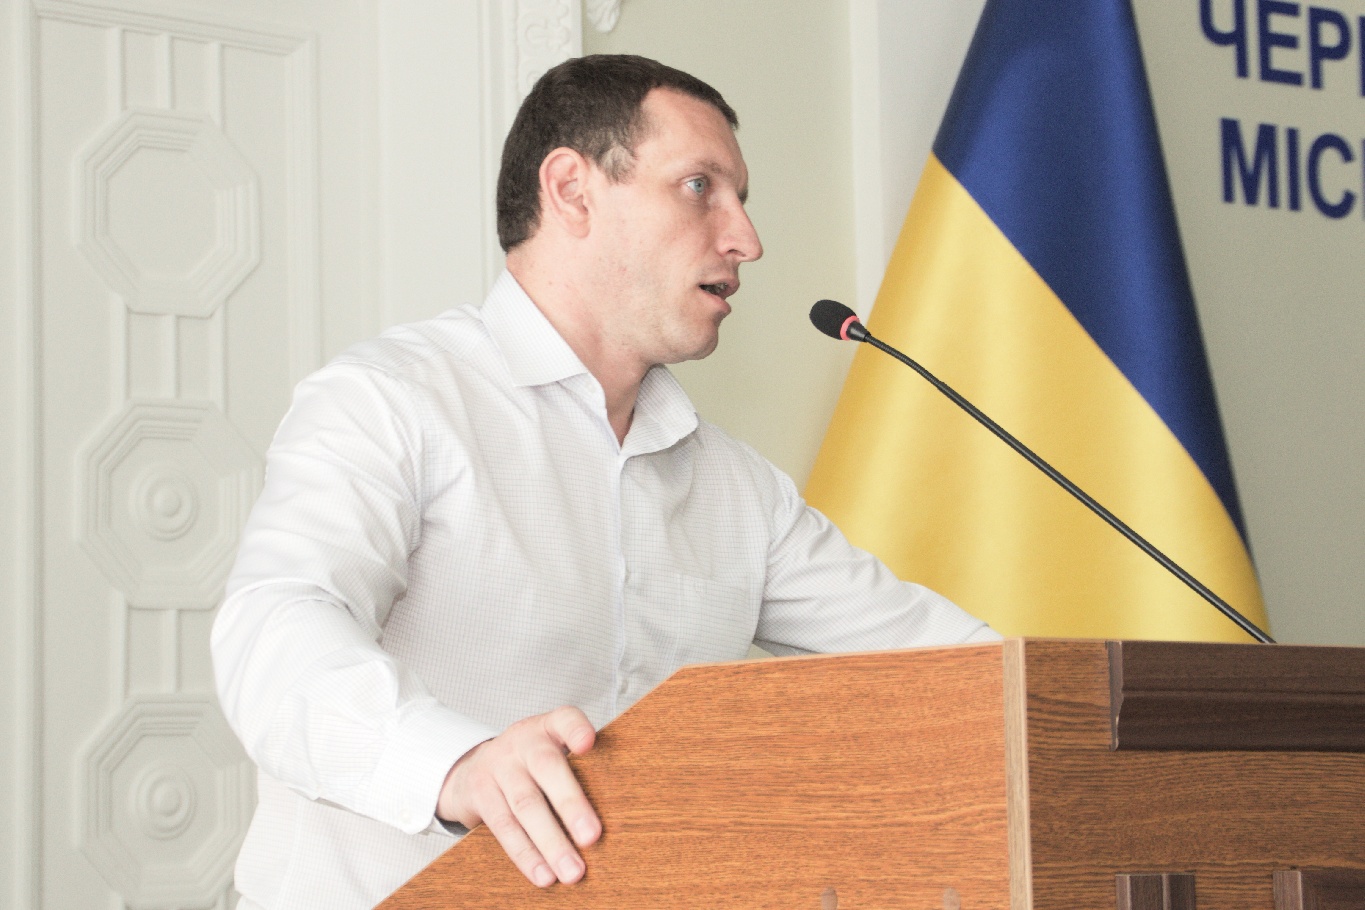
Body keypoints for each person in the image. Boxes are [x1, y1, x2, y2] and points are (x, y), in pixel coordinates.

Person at [212, 54, 998, 909]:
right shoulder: (391, 400)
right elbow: (274, 634)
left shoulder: (738, 490)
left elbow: (955, 671)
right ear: (572, 191)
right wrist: (456, 764)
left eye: (740, 198)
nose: (746, 239)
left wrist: (1084, 704)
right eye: (699, 187)